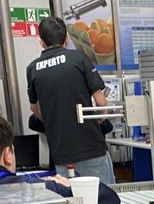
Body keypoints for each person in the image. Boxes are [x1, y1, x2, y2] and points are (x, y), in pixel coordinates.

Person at [27, 16, 116, 185]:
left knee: (71, 197)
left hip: (61, 151)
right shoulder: (79, 58)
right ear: (67, 39)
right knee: (103, 197)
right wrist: (99, 119)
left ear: (41, 42)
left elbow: (34, 107)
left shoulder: (33, 68)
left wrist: (52, 123)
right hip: (90, 147)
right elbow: (101, 101)